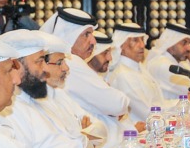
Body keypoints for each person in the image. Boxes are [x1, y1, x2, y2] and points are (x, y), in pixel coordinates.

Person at [0, 29, 95, 148]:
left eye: (44, 61)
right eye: (39, 61)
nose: (45, 69)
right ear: (15, 65)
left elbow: (79, 142)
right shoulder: (9, 112)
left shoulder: (38, 100)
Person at [41, 8, 129, 137]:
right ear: (69, 35)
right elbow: (118, 104)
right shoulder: (71, 62)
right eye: (86, 34)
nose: (93, 41)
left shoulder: (72, 62)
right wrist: (115, 110)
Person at [108, 22, 172, 124]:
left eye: (142, 39)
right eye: (135, 40)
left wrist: (181, 104)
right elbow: (147, 112)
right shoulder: (123, 75)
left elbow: (158, 104)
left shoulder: (139, 68)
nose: (142, 45)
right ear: (121, 44)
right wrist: (177, 115)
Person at [146, 22, 190, 100]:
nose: (188, 48)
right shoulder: (162, 64)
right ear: (170, 44)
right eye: (184, 43)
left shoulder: (175, 63)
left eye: (189, 43)